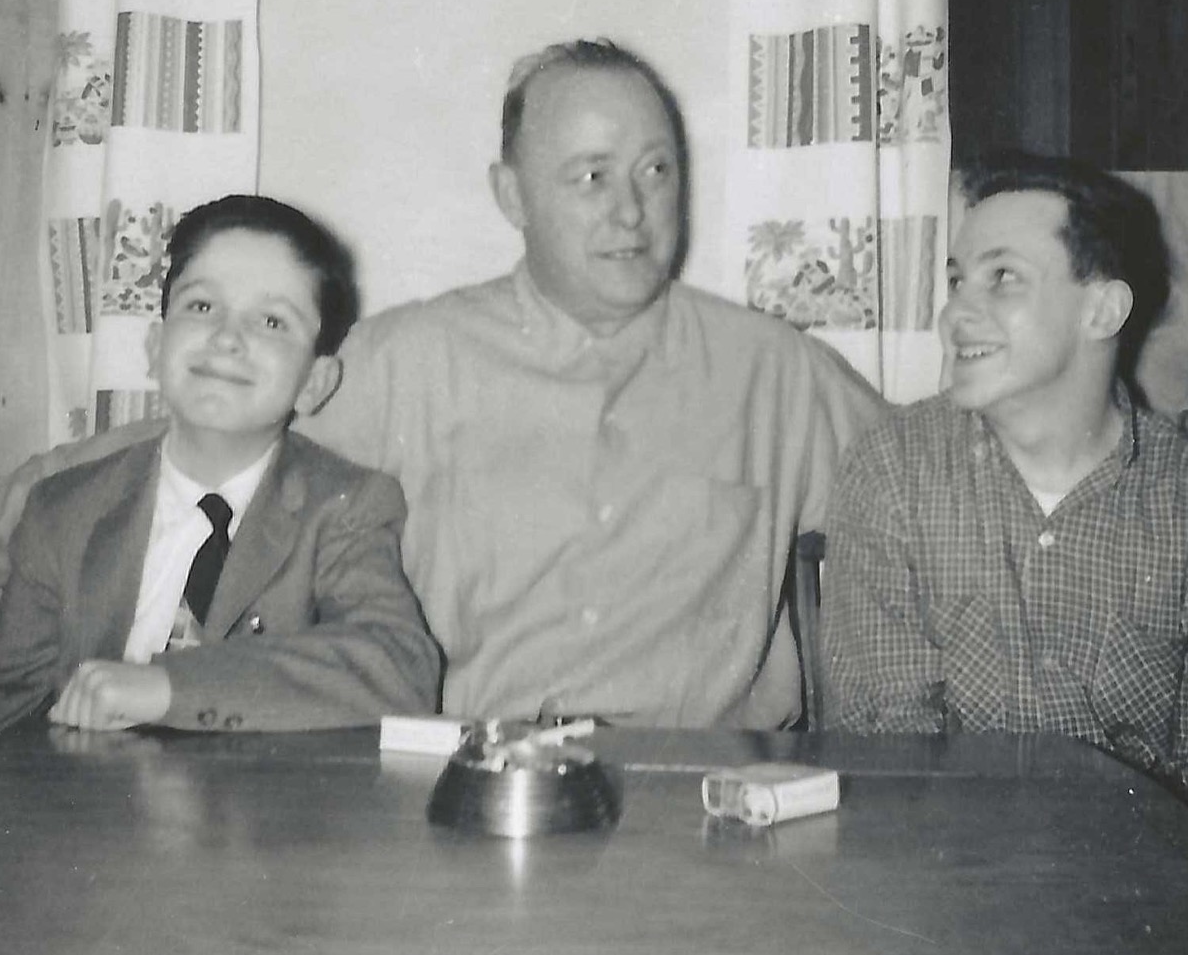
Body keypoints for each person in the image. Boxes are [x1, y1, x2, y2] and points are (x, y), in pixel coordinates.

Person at [295, 38, 882, 727]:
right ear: (512, 195)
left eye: (656, 170)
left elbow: (943, 489)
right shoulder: (404, 361)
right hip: (464, 787)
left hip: (694, 796)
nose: (632, 210)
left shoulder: (776, 371)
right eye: (593, 177)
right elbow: (246, 513)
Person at [0, 195, 440, 733]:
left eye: (272, 321)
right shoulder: (61, 509)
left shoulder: (345, 507)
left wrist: (171, 686)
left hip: (264, 811)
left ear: (315, 383)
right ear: (156, 346)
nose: (228, 338)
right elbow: (4, 703)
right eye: (202, 307)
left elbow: (398, 667)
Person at [821, 154, 1188, 782]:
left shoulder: (1175, 495)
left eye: (1004, 278)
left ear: (1101, 311)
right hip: (950, 862)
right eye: (958, 281)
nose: (956, 314)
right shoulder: (892, 471)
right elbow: (887, 756)